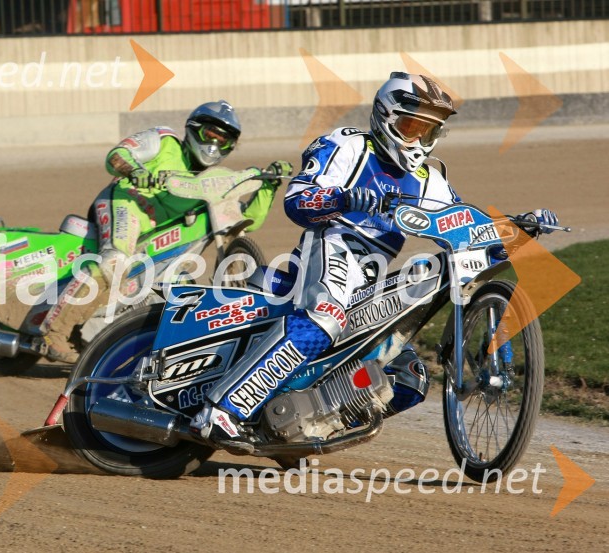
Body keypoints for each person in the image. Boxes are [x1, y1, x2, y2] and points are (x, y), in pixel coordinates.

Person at [191, 72, 558, 447]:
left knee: (409, 379)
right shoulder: (348, 145)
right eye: (411, 127)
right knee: (326, 316)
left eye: (429, 132)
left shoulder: (429, 180)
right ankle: (221, 410)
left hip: (371, 279)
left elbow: (465, 234)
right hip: (333, 243)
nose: (418, 141)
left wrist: (518, 230)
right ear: (386, 117)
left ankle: (306, 424)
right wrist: (343, 199)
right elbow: (297, 199)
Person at [47, 100, 291, 362]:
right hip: (128, 202)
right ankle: (54, 333)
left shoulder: (210, 183)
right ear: (193, 128)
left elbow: (245, 221)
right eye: (210, 134)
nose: (214, 144)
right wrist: (136, 170)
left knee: (180, 285)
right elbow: (117, 155)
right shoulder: (163, 140)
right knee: (115, 260)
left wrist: (269, 186)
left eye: (223, 140)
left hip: (156, 228)